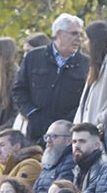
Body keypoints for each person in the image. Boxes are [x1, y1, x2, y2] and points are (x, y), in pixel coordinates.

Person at [12, 14, 90, 145]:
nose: (78, 39)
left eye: (80, 35)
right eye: (74, 34)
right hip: (35, 135)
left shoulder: (86, 64)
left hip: (66, 137)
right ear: (59, 34)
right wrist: (32, 114)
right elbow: (18, 90)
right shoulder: (34, 57)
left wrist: (67, 123)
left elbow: (85, 101)